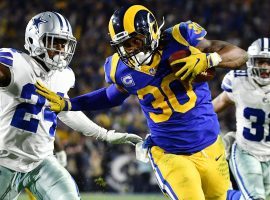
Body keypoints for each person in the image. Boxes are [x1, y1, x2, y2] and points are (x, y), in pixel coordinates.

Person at [35, 5, 248, 200]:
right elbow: (111, 96)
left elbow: (241, 55)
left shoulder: (180, 38)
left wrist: (210, 59)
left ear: (151, 32)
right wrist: (70, 104)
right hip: (170, 153)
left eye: (134, 41)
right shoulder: (120, 67)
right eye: (124, 45)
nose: (130, 50)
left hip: (211, 145)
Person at [0, 11, 142, 200]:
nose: (61, 48)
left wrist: (106, 135)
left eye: (64, 43)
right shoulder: (15, 64)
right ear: (35, 41)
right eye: (54, 41)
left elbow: (65, 112)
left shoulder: (63, 76)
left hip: (41, 163)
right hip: (4, 162)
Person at [212, 38, 270, 200]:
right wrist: (191, 120)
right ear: (251, 62)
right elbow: (218, 103)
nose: (265, 67)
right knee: (255, 198)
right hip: (247, 150)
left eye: (268, 63)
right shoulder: (238, 81)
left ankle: (224, 197)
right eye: (261, 62)